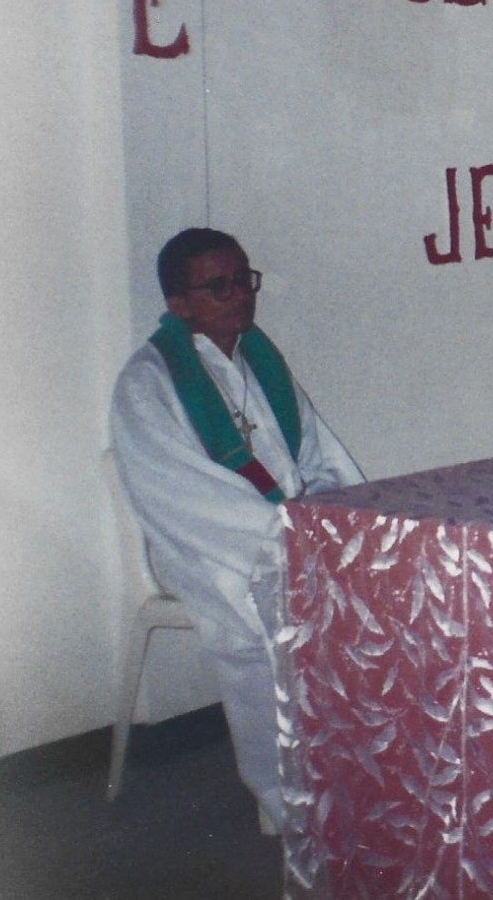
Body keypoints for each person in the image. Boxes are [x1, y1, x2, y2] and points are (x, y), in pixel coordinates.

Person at [109, 227, 363, 832]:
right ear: (178, 303)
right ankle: (290, 807)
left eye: (242, 280)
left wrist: (337, 516)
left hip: (286, 530)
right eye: (218, 286)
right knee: (273, 612)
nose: (240, 296)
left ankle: (356, 778)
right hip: (208, 546)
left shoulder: (258, 361)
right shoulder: (148, 382)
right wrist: (287, 536)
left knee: (369, 583)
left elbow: (317, 453)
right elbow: (182, 493)